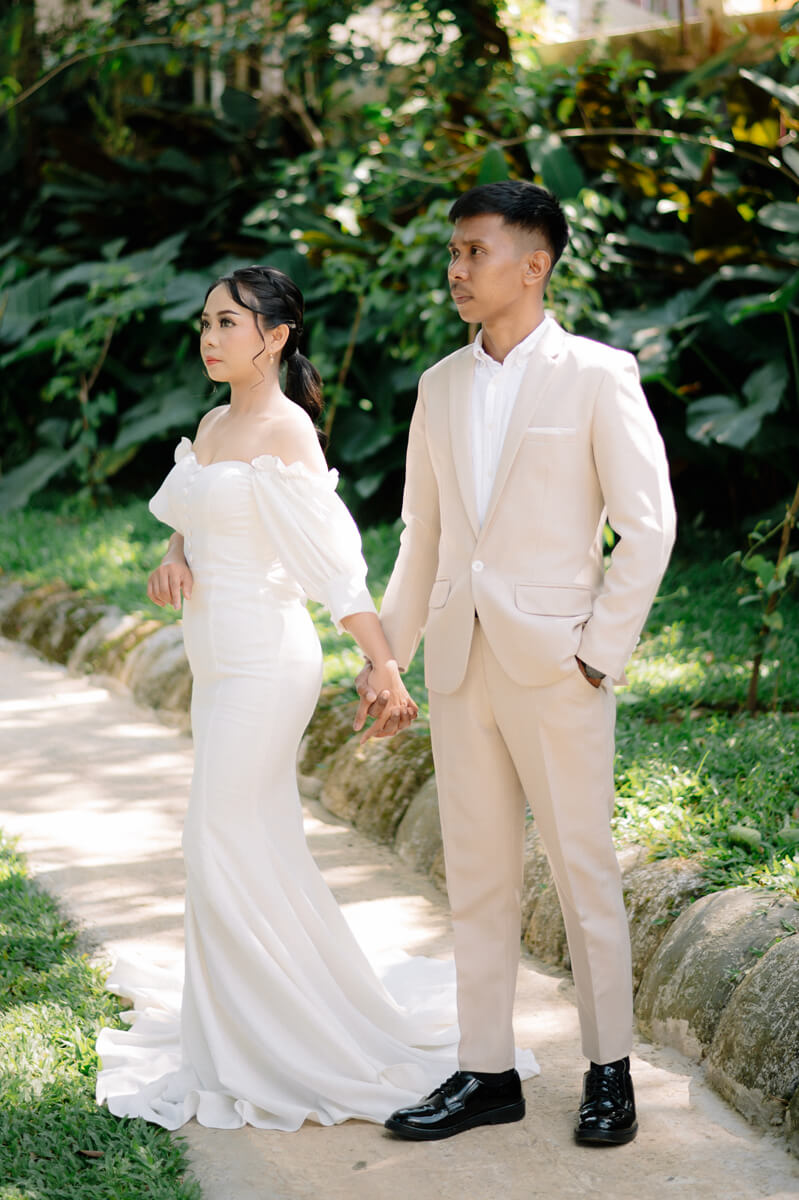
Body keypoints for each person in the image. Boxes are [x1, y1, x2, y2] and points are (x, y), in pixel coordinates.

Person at [95, 264, 538, 1131]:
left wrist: (382, 664)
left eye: (227, 323)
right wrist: (175, 554)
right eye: (205, 323)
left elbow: (335, 568)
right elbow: (193, 511)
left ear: (275, 336)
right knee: (249, 837)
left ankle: (268, 1044)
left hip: (266, 662)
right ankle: (240, 1025)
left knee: (215, 833)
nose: (209, 338)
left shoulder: (288, 432)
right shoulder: (214, 422)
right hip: (215, 662)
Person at [354, 181, 676, 1145]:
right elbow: (422, 535)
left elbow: (649, 526)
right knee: (477, 872)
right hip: (460, 661)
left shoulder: (598, 374)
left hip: (558, 665)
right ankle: (485, 1070)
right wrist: (387, 657)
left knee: (582, 871)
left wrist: (596, 656)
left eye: (475, 252)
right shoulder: (439, 385)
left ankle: (608, 1070)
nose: (456, 270)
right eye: (453, 253)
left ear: (533, 265)